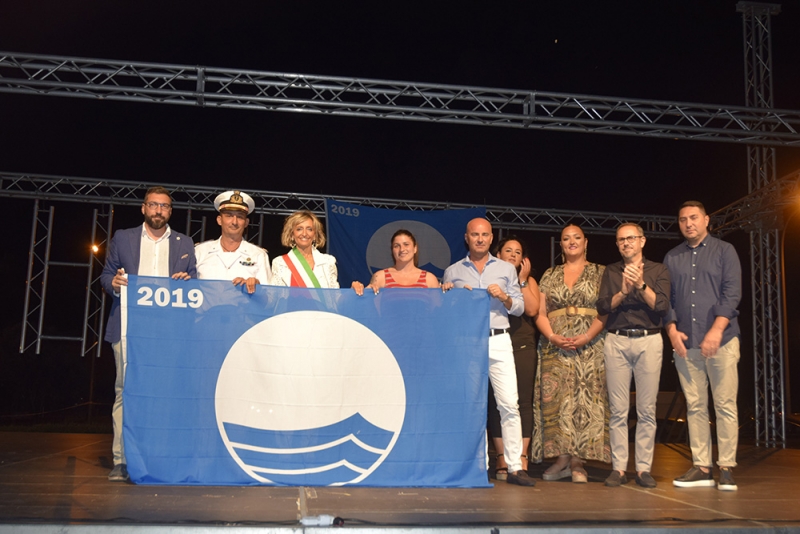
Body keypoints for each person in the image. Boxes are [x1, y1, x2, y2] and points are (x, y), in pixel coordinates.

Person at [100, 186, 196, 482]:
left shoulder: (185, 243)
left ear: (170, 211)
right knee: (125, 393)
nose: (159, 210)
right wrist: (115, 283)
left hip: (169, 332)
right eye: (153, 205)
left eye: (164, 206)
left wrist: (188, 282)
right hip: (129, 329)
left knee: (166, 394)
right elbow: (106, 276)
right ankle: (122, 460)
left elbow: (196, 284)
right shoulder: (123, 237)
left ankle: (159, 456)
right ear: (143, 208)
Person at [442, 218, 537, 487]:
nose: (480, 239)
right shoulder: (453, 271)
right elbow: (446, 313)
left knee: (509, 403)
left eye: (484, 235)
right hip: (468, 342)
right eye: (475, 235)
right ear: (467, 237)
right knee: (472, 405)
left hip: (499, 339)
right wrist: (449, 295)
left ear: (491, 238)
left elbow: (519, 308)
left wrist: (504, 297)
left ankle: (516, 467)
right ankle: (477, 467)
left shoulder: (507, 269)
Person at [664, 201, 741, 491]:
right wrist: (671, 331)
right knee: (695, 406)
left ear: (706, 219)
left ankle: (727, 468)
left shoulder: (725, 251)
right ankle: (702, 466)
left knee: (724, 404)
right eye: (683, 219)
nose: (688, 223)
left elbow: (732, 293)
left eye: (693, 218)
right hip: (686, 343)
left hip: (722, 341)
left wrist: (716, 330)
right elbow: (666, 301)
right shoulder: (672, 257)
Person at [532, 223, 608, 483]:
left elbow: (606, 311)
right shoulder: (550, 274)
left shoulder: (601, 272)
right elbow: (540, 313)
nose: (572, 242)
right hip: (555, 344)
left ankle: (578, 461)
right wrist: (552, 336)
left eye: (577, 238)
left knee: (586, 400)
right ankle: (561, 459)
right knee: (557, 402)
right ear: (561, 245)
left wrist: (587, 336)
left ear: (586, 242)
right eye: (566, 238)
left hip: (591, 343)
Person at [596, 223, 670, 488]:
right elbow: (603, 305)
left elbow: (661, 305)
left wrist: (640, 284)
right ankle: (618, 468)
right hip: (617, 340)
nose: (625, 243)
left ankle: (643, 469)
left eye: (630, 238)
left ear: (642, 241)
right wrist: (623, 292)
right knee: (618, 410)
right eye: (620, 240)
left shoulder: (658, 269)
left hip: (649, 340)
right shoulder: (611, 271)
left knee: (646, 410)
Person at [487, 236, 539, 480]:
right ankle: (500, 457)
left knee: (520, 403)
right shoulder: (491, 278)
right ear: (498, 253)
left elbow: (531, 310)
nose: (513, 255)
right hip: (496, 342)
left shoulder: (527, 281)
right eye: (508, 250)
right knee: (495, 403)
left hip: (523, 344)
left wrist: (521, 281)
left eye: (518, 252)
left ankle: (521, 457)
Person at [195, 190, 270, 292]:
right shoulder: (200, 251)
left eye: (240, 217)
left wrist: (258, 288)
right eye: (229, 216)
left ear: (246, 222)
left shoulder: (258, 255)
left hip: (243, 308)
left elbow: (269, 297)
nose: (234, 222)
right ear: (219, 220)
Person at [351, 229, 439, 295]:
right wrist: (355, 291)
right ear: (392, 250)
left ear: (415, 248)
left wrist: (448, 290)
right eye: (396, 246)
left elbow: (439, 311)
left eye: (406, 244)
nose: (402, 249)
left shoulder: (429, 279)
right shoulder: (381, 277)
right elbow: (368, 306)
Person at [271, 210, 339, 288]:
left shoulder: (328, 262)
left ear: (315, 235)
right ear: (292, 234)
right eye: (299, 229)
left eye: (309, 229)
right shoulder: (280, 263)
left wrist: (352, 291)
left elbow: (335, 296)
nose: (304, 234)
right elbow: (275, 296)